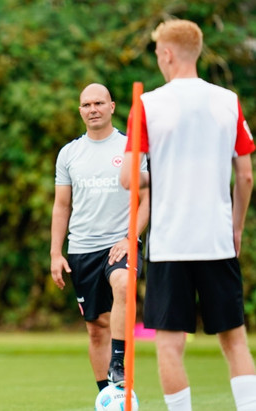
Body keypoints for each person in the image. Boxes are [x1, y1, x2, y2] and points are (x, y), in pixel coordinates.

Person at [121, 19, 256, 411]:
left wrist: (152, 172)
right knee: (234, 341)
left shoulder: (146, 104)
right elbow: (245, 175)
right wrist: (237, 228)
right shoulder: (228, 101)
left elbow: (130, 179)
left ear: (166, 54)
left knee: (169, 344)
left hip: (169, 243)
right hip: (216, 239)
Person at [50, 83, 149, 391]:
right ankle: (108, 397)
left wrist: (131, 237)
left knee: (122, 283)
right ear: (80, 111)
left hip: (121, 244)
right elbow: (61, 206)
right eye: (86, 105)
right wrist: (56, 253)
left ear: (112, 106)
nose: (92, 109)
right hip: (82, 249)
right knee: (96, 329)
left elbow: (147, 199)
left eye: (98, 103)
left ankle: (118, 362)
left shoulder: (130, 147)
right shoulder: (69, 153)